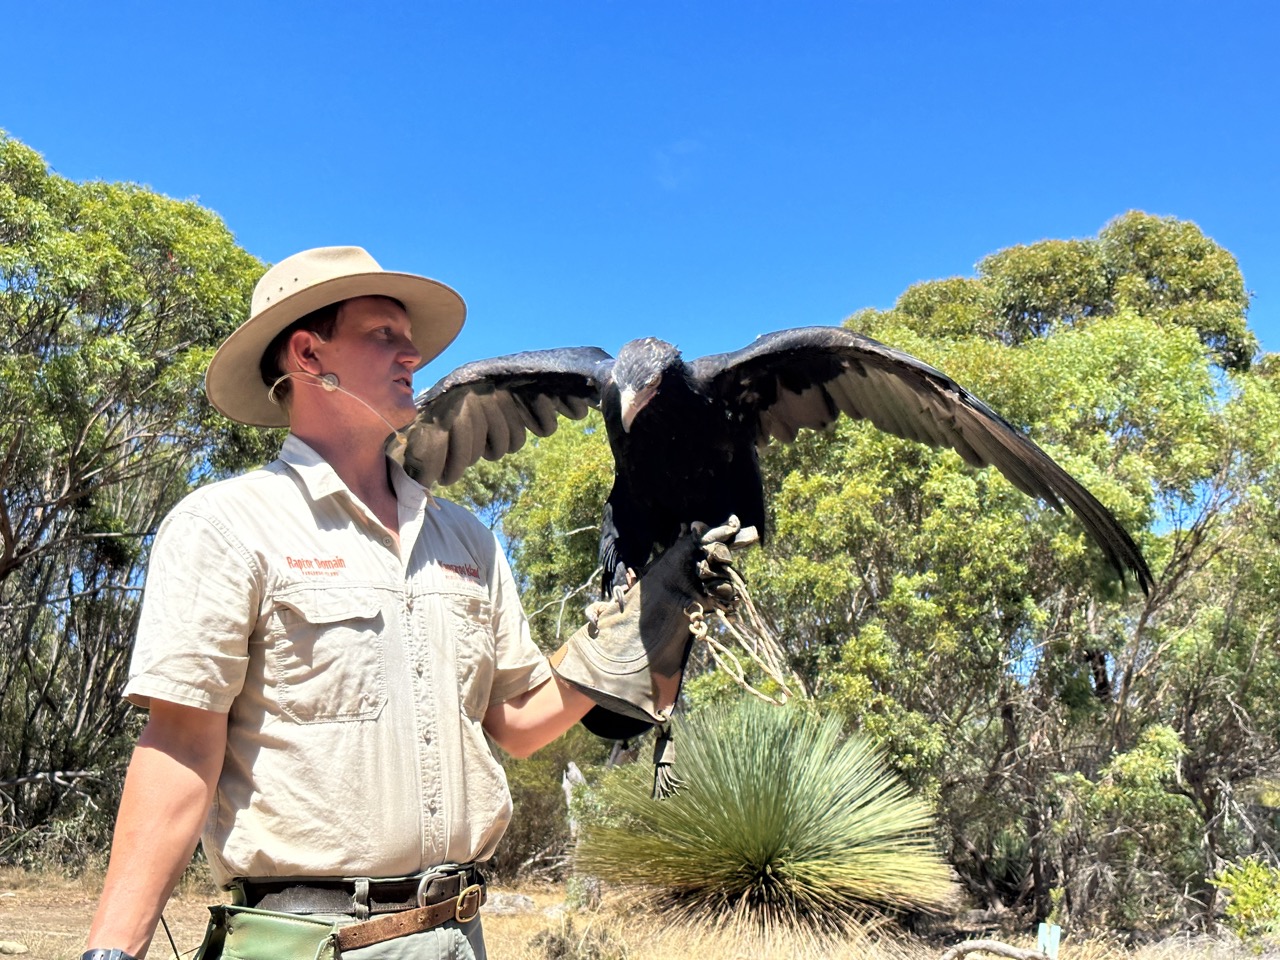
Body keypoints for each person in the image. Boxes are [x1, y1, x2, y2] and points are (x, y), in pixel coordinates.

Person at [82, 246, 743, 960]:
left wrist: (654, 615)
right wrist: (113, 950)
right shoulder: (227, 526)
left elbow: (519, 722)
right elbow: (180, 749)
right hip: (306, 942)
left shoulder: (466, 539)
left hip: (459, 935)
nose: (413, 355)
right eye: (384, 336)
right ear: (308, 355)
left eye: (410, 339)